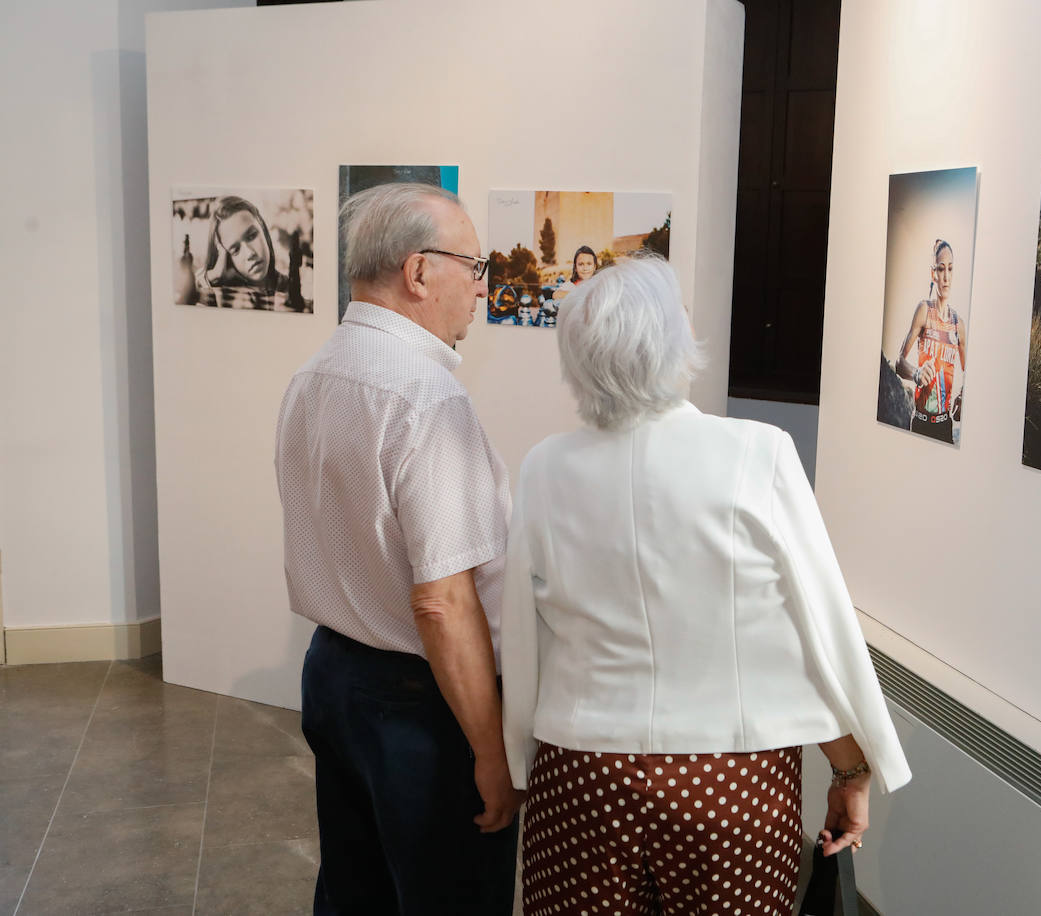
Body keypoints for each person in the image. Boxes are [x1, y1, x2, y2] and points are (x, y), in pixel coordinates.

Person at [502, 257, 911, 916]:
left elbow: (523, 633)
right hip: (730, 779)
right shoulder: (758, 452)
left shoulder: (545, 467)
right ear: (673, 340)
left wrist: (519, 757)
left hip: (582, 773)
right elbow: (816, 628)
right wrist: (851, 767)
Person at [275, 182, 521, 914]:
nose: (481, 289)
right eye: (474, 268)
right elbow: (443, 601)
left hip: (333, 673)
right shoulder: (426, 398)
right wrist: (488, 749)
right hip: (421, 706)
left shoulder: (313, 374)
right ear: (418, 273)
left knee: (357, 892)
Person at [895, 238, 967, 443]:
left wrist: (962, 396)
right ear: (933, 273)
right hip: (919, 422)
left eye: (950, 269)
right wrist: (916, 374)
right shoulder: (924, 310)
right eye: (941, 269)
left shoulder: (958, 324)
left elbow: (969, 370)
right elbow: (899, 363)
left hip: (945, 426)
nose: (946, 277)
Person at [198, 195, 292, 310]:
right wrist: (213, 276)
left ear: (263, 228)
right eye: (235, 249)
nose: (250, 253)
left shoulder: (292, 288)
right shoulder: (220, 298)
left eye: (252, 236)